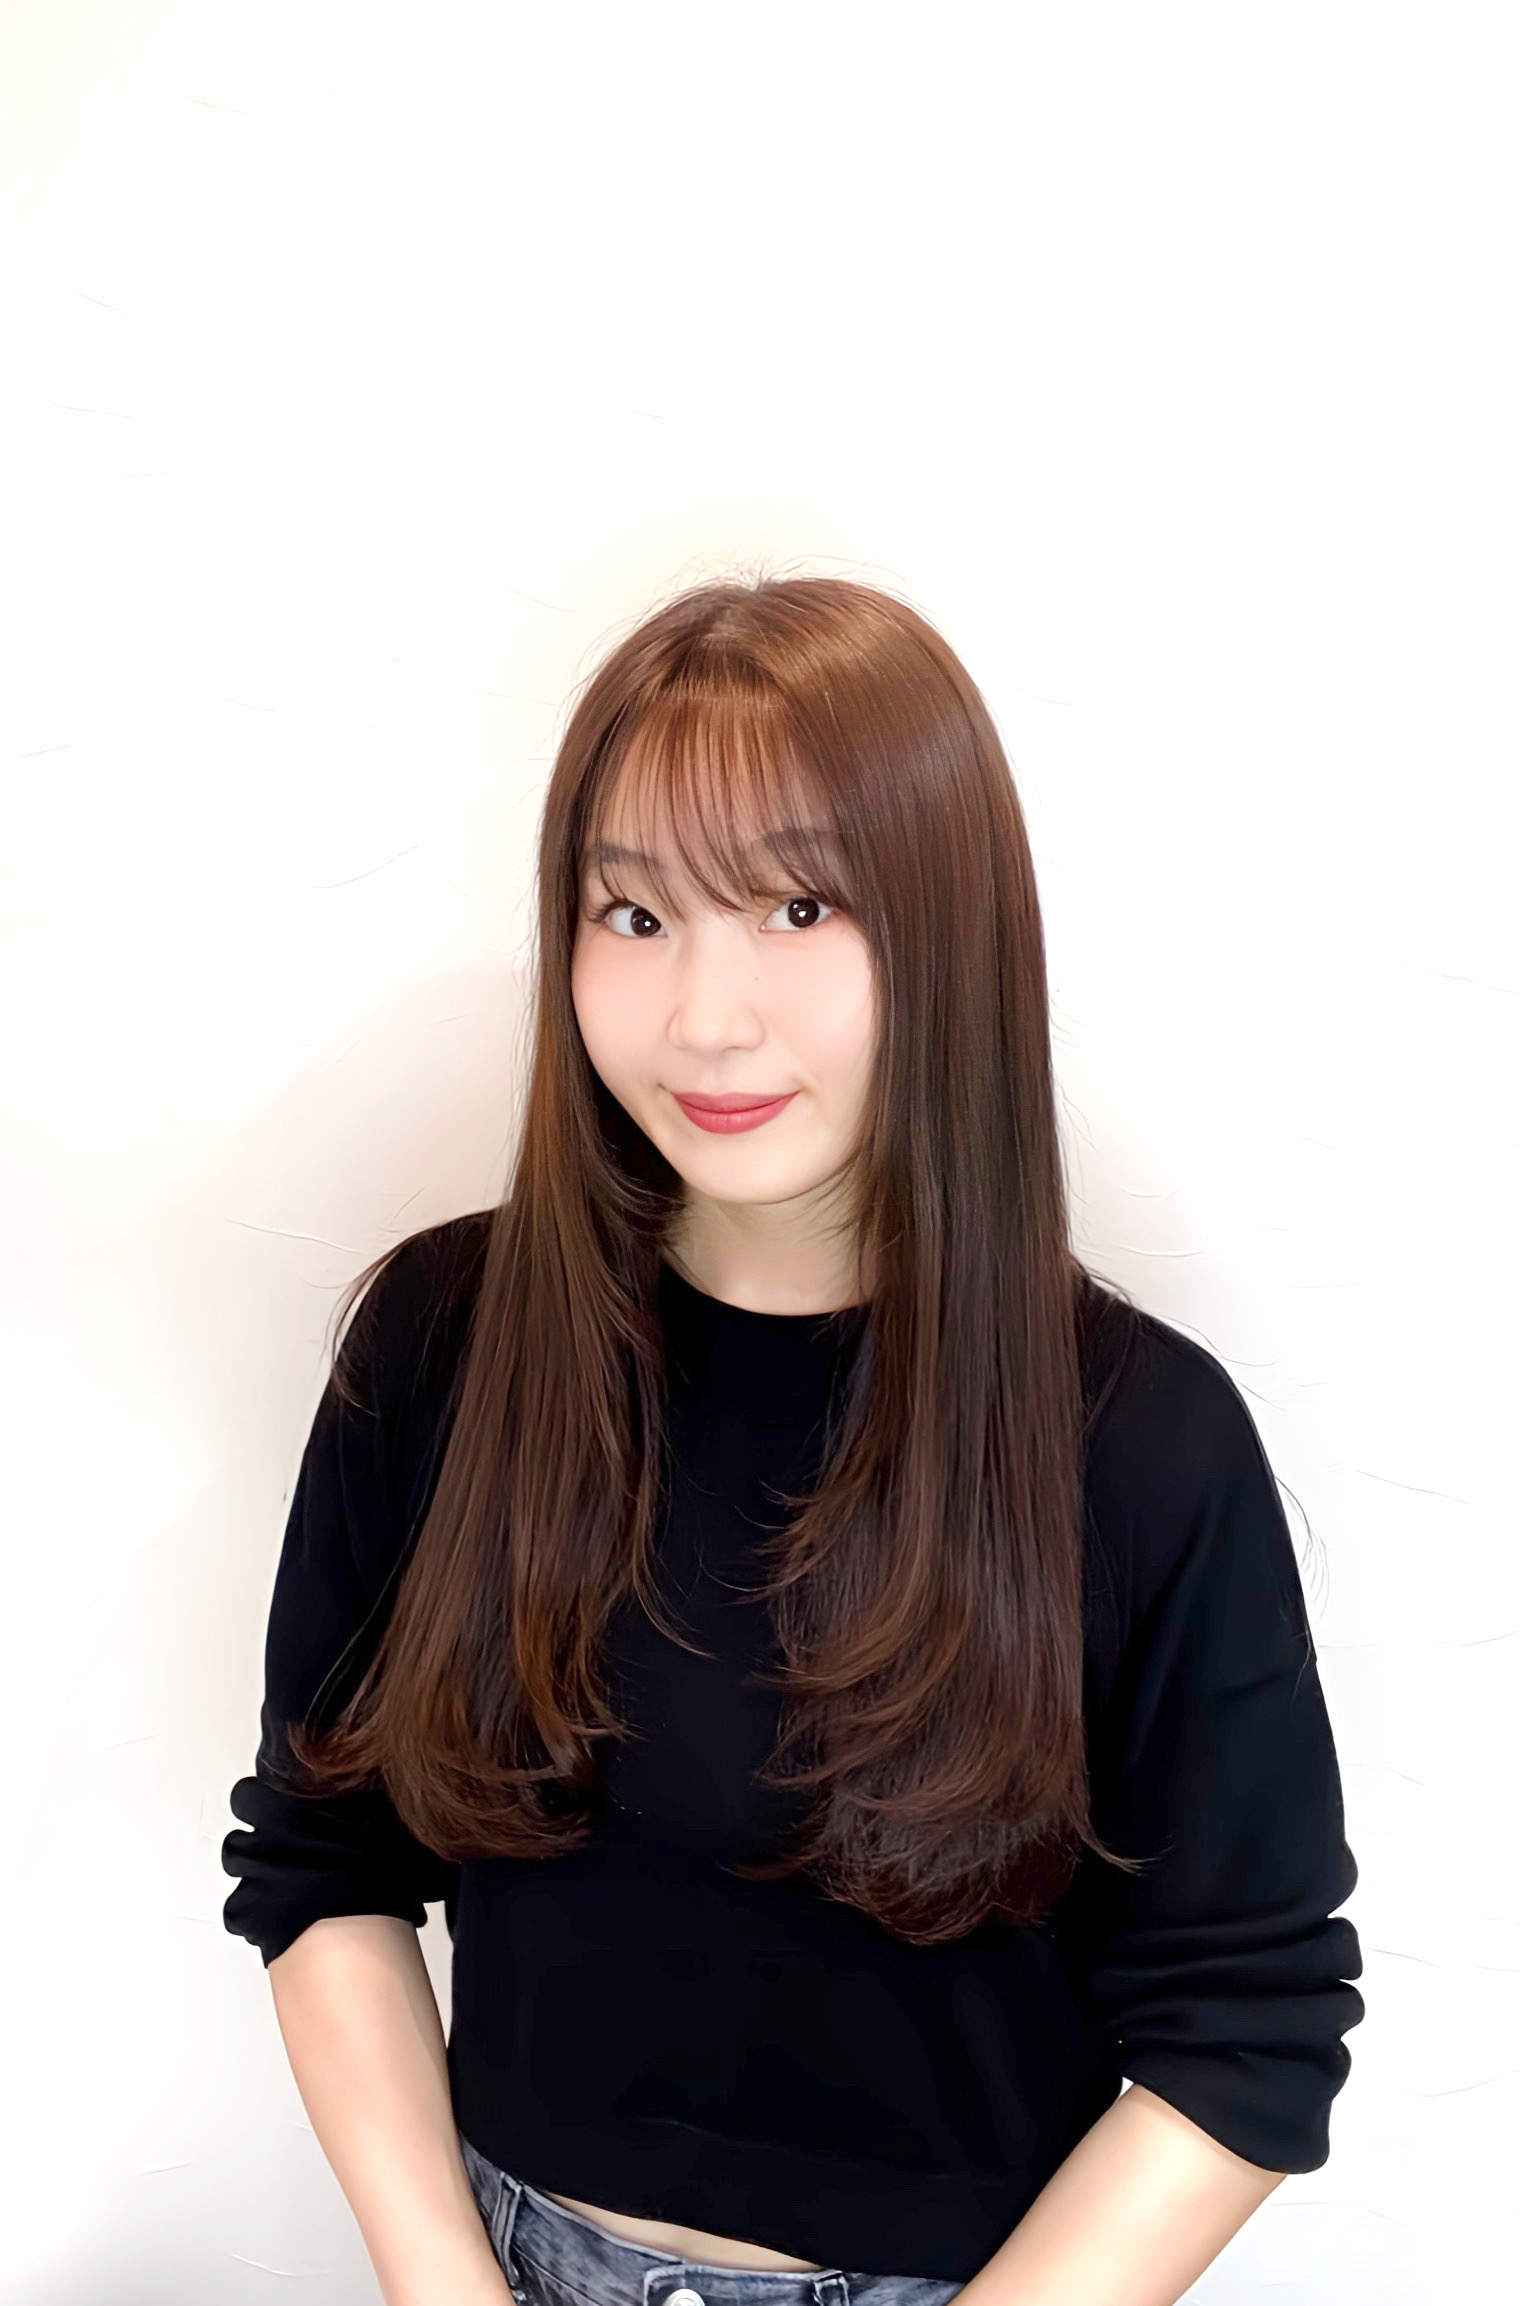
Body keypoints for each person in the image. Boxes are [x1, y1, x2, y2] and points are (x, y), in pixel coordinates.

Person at [222, 573, 1363, 2306]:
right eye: (634, 913)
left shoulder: (1139, 1439)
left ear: (948, 927)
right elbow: (323, 1857)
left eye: (799, 904)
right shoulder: (445, 1343)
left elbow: (1250, 2028)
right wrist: (443, 2279)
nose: (706, 1015)